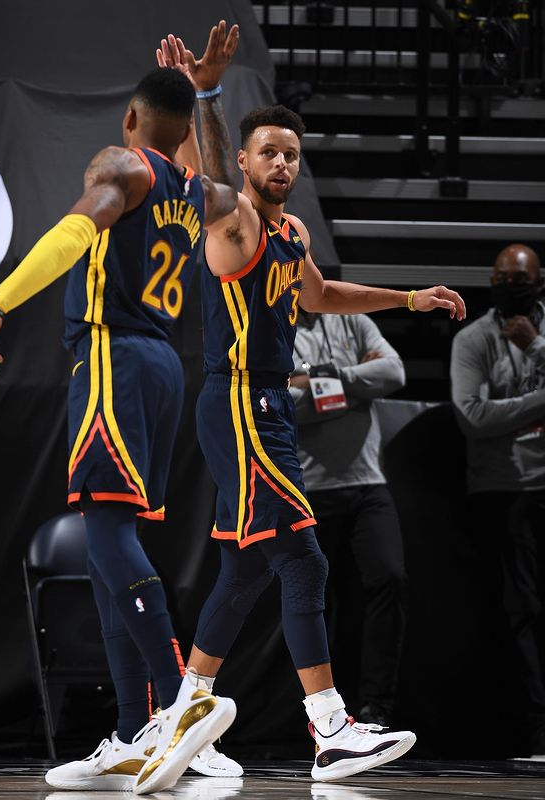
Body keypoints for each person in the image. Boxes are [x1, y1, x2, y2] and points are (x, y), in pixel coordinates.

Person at [160, 33, 466, 781]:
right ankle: (330, 728)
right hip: (240, 403)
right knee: (303, 558)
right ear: (244, 162)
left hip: (262, 406)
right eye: (268, 152)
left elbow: (321, 296)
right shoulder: (233, 223)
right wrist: (205, 94)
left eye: (291, 155)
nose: (282, 164)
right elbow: (208, 175)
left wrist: (409, 298)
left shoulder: (292, 232)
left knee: (243, 571)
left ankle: (181, 715)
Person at [0, 28, 241, 795]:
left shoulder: (123, 165)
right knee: (108, 548)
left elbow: (72, 232)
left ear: (130, 119)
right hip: (163, 369)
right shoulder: (195, 193)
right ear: (182, 132)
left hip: (113, 356)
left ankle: (180, 703)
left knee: (108, 534)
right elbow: (227, 187)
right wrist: (207, 95)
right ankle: (130, 731)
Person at [289, 311, 407, 728]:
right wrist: (359, 386)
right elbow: (284, 406)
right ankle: (322, 713)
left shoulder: (353, 322)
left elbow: (393, 373)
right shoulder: (275, 325)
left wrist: (319, 378)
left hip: (368, 483)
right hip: (312, 489)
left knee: (389, 577)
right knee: (317, 600)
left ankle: (376, 705)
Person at [451, 243, 545, 756]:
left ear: (540, 283)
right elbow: (472, 417)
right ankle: (536, 728)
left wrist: (537, 348)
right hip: (502, 492)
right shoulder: (473, 339)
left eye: (520, 281)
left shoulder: (539, 335)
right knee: (519, 611)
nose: (510, 288)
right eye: (502, 279)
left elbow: (493, 413)